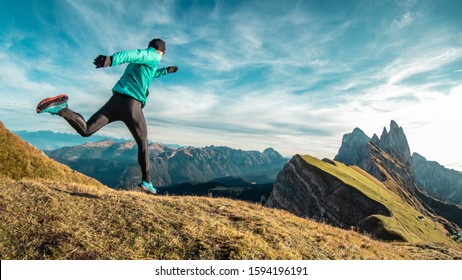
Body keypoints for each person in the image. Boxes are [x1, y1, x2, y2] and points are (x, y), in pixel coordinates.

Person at [36, 38, 178, 195]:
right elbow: (133, 53)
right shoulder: (153, 55)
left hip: (116, 101)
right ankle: (147, 182)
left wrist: (165, 71)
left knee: (87, 130)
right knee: (143, 143)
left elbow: (149, 74)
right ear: (161, 51)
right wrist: (111, 60)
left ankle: (62, 109)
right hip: (132, 105)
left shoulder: (142, 64)